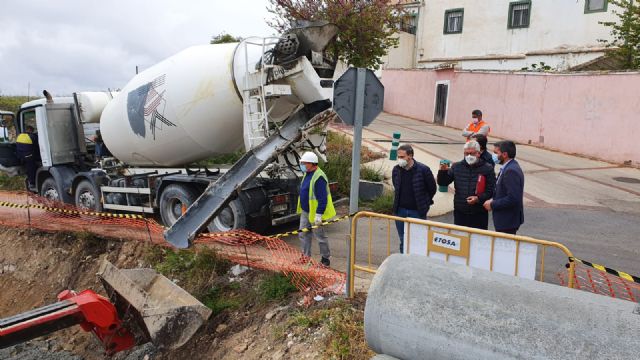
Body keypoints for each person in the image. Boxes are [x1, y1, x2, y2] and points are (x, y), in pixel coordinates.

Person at [437, 141, 496, 230]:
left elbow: (491, 190)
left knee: (478, 239)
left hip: (479, 213)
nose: (468, 156)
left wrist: (478, 199)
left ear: (478, 153)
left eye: (471, 153)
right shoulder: (456, 166)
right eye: (466, 153)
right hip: (460, 211)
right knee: (460, 238)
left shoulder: (487, 168)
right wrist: (442, 172)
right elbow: (443, 183)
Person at [392, 144, 437, 253]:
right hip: (400, 211)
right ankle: (404, 262)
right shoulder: (396, 169)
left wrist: (425, 203)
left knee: (418, 241)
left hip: (417, 211)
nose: (400, 159)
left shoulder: (423, 170)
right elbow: (396, 185)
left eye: (402, 157)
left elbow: (432, 189)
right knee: (403, 240)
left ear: (410, 156)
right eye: (398, 157)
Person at [296, 151, 336, 266]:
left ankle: (325, 259)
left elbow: (322, 198)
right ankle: (305, 257)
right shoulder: (307, 173)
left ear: (312, 164)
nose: (302, 165)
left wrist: (319, 215)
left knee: (320, 237)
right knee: (303, 234)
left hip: (315, 213)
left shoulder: (319, 177)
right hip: (306, 211)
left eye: (304, 163)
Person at [483, 140, 524, 234]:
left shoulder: (511, 171)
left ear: (504, 154)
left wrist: (492, 204)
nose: (493, 156)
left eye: (496, 153)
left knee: (505, 247)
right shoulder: (508, 167)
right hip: (505, 220)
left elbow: (513, 198)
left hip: (507, 221)